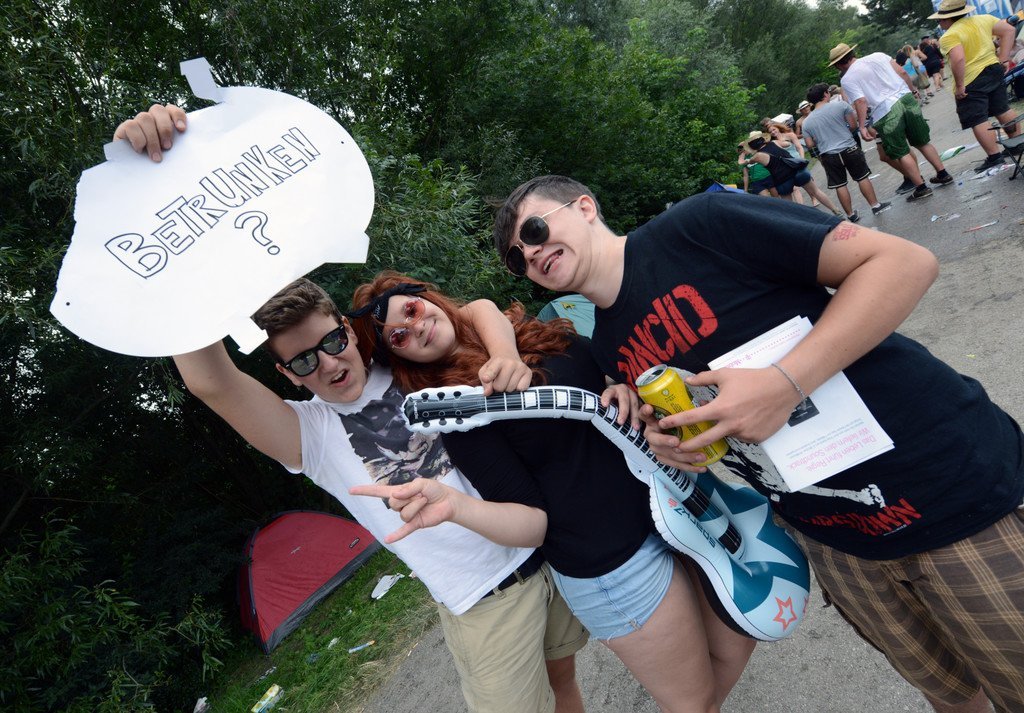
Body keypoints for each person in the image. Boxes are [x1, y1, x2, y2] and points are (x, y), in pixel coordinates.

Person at [113, 104, 589, 713]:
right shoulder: (307, 434)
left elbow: (473, 310)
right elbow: (211, 381)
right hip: (484, 603)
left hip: (544, 549)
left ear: (345, 325)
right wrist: (157, 200)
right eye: (303, 362)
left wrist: (501, 351)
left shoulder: (399, 356)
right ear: (285, 374)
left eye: (332, 341)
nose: (329, 364)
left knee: (566, 687)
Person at [492, 174, 1024, 713]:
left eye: (534, 230)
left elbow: (904, 262)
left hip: (952, 492)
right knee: (949, 694)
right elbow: (720, 432)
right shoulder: (608, 345)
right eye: (516, 257)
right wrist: (671, 448)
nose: (530, 253)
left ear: (585, 207)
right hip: (837, 542)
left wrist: (786, 383)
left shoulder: (699, 226)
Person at [347, 272, 756, 713]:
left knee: (739, 640)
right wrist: (457, 507)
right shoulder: (460, 415)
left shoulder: (528, 333)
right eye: (399, 337)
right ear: (400, 358)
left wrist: (619, 387)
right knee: (695, 703)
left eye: (411, 310)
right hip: (614, 565)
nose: (417, 327)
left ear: (427, 298)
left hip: (670, 514)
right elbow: (532, 524)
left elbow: (599, 370)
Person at [830, 43, 953, 202]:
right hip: (906, 99)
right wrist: (912, 90)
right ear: (852, 53)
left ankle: (921, 188)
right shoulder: (878, 55)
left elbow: (860, 101)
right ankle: (943, 174)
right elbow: (902, 72)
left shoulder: (847, 79)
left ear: (838, 64)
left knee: (901, 151)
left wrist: (862, 126)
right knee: (922, 142)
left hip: (885, 111)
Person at [929, 0, 1022, 173]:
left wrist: (959, 86)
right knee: (1002, 108)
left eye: (939, 20)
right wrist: (1004, 58)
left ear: (948, 19)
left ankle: (994, 156)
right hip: (993, 68)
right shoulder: (983, 19)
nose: (939, 23)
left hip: (971, 78)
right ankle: (1017, 144)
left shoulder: (949, 36)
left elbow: (958, 59)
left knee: (977, 119)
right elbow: (1009, 30)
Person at [800, 83, 891, 222]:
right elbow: (853, 125)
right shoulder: (841, 106)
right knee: (862, 177)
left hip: (828, 155)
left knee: (840, 185)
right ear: (825, 94)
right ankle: (875, 205)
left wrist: (821, 138)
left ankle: (851, 215)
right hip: (849, 148)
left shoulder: (806, 122)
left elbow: (809, 144)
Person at [739, 130, 840, 213]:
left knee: (789, 206)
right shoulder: (775, 142)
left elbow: (743, 162)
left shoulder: (757, 156)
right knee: (816, 192)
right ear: (763, 139)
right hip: (798, 172)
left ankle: (800, 224)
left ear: (752, 147)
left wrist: (742, 155)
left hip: (782, 181)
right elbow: (788, 144)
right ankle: (836, 210)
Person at [767, 121, 815, 205]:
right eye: (770, 132)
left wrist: (802, 159)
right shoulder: (773, 142)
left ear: (778, 128)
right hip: (787, 165)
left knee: (807, 182)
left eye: (774, 129)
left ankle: (814, 198)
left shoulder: (790, 135)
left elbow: (799, 147)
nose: (773, 132)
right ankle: (801, 206)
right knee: (795, 188)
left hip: (797, 161)